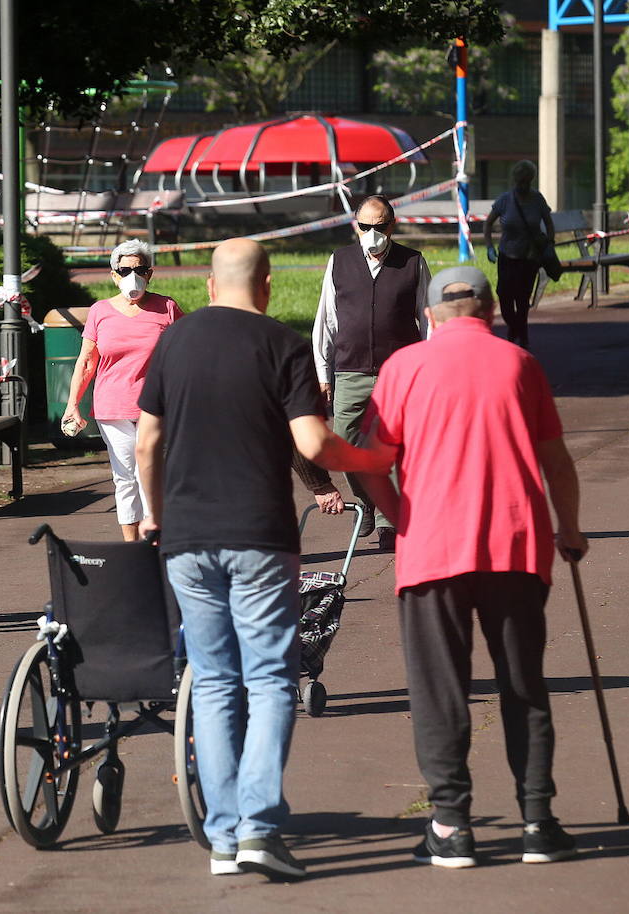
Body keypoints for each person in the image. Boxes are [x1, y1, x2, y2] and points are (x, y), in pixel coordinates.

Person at [135, 238, 391, 881]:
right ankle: (259, 831)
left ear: (209, 285)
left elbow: (147, 441)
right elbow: (313, 442)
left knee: (215, 683)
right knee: (271, 681)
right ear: (269, 284)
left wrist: (157, 513)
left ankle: (223, 838)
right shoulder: (282, 345)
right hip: (260, 536)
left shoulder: (176, 340)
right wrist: (374, 460)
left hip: (188, 539)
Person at [357, 266, 588, 869]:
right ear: (489, 311)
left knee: (441, 692)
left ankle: (452, 827)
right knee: (524, 686)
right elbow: (556, 462)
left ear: (430, 315)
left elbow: (371, 464)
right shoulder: (520, 364)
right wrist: (570, 530)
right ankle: (538, 822)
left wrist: (402, 516)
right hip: (515, 547)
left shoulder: (403, 368)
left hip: (432, 550)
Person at [312, 195, 429, 542]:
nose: (372, 234)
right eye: (365, 227)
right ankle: (365, 502)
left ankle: (384, 518)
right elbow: (326, 320)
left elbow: (429, 318)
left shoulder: (413, 262)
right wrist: (322, 373)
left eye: (379, 227)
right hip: (351, 370)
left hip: (401, 374)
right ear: (355, 226)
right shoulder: (340, 261)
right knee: (344, 444)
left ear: (392, 226)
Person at [61, 239, 182, 540]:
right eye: (125, 269)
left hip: (156, 408)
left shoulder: (167, 308)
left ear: (150, 274)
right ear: (114, 275)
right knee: (125, 477)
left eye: (140, 269)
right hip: (112, 408)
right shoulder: (100, 311)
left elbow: (186, 354)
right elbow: (87, 361)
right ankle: (133, 547)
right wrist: (72, 404)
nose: (133, 275)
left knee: (152, 476)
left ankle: (157, 543)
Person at [484, 159, 556, 348]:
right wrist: (489, 246)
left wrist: (550, 242)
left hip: (529, 257)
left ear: (531, 180)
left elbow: (548, 222)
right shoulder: (505, 200)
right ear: (515, 181)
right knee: (505, 296)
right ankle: (516, 327)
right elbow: (488, 223)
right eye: (520, 182)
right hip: (507, 255)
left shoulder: (537, 199)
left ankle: (521, 336)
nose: (523, 185)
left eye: (526, 181)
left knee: (523, 298)